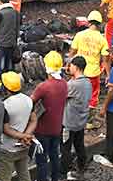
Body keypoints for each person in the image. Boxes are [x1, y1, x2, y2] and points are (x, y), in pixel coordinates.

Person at [31, 51, 68, 181]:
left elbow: (31, 102)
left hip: (42, 130)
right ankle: (55, 178)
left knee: (41, 160)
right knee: (54, 155)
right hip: (57, 128)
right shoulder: (64, 84)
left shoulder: (43, 87)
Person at [0, 71, 37, 181]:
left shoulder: (5, 105)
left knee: (4, 177)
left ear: (5, 88)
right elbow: (34, 120)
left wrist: (22, 136)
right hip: (24, 146)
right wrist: (27, 135)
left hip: (7, 148)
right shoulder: (28, 100)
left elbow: (5, 129)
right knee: (24, 174)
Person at [69, 11, 109, 108]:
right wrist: (108, 74)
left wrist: (69, 65)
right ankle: (89, 120)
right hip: (93, 73)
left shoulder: (79, 35)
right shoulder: (102, 39)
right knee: (93, 97)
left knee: (75, 95)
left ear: (88, 22)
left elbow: (72, 52)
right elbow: (105, 61)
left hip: (78, 71)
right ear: (100, 24)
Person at [61, 57, 92, 181]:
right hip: (81, 121)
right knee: (79, 145)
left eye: (71, 65)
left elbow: (62, 97)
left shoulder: (72, 84)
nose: (69, 68)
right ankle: (81, 167)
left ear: (77, 67)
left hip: (69, 122)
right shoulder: (87, 82)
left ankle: (64, 171)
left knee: (65, 148)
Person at [0, 0, 20, 75]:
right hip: (12, 44)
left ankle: (0, 84)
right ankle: (10, 84)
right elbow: (17, 27)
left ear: (0, 2)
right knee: (9, 67)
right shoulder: (16, 12)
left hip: (1, 45)